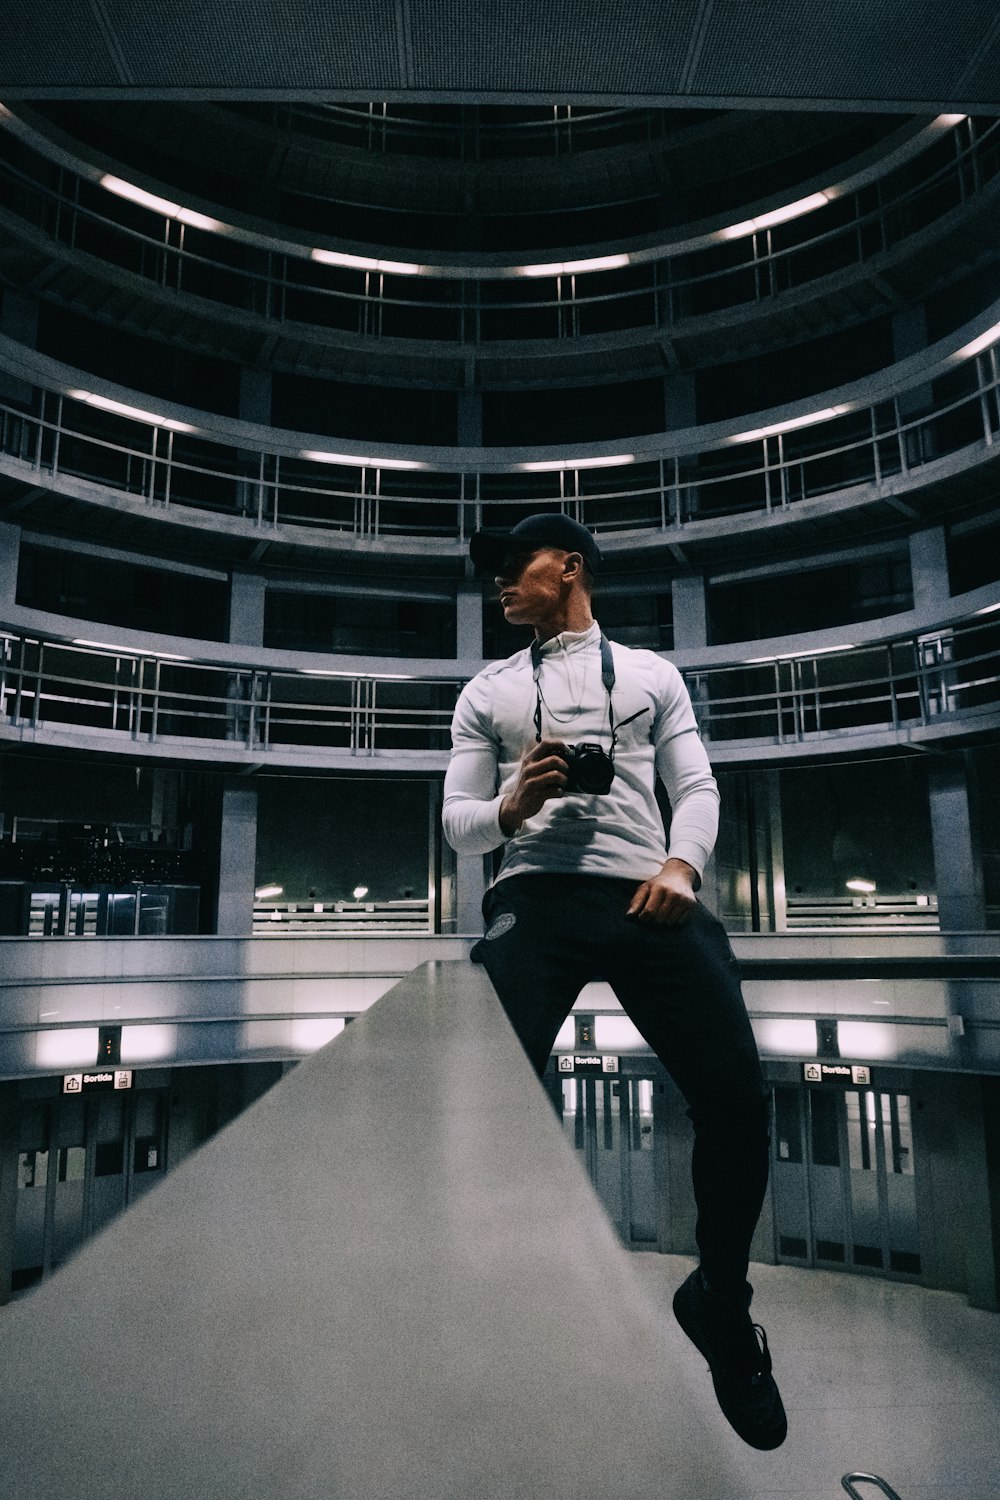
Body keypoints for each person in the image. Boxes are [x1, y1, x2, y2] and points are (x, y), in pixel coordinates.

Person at [442, 513, 786, 1451]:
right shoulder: (489, 691)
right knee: (490, 1090)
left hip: (648, 890)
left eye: (517, 566)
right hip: (536, 891)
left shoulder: (650, 674)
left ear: (571, 567)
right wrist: (512, 804)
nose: (501, 585)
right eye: (495, 576)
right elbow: (460, 825)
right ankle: (484, 1293)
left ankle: (720, 1300)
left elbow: (699, 785)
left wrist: (683, 865)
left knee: (739, 1099)